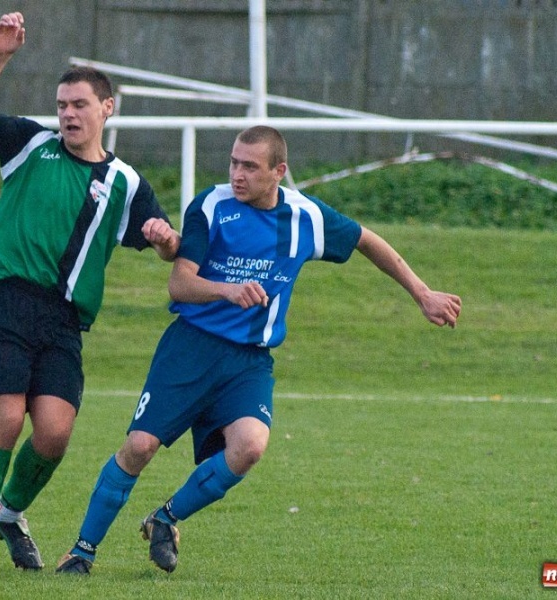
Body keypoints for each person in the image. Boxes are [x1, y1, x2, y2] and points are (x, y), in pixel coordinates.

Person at [56, 125, 461, 575]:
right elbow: (180, 283)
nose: (237, 174)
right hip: (191, 348)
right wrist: (228, 291)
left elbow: (366, 239)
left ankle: (165, 518)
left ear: (279, 171)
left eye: (250, 166)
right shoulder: (211, 206)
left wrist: (421, 293)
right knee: (140, 445)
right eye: (233, 162)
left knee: (250, 446)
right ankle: (81, 551)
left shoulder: (305, 217)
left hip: (248, 362)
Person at [0, 12, 180, 571]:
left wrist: (165, 239)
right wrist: (0, 55)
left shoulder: (125, 182)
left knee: (53, 435)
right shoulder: (30, 144)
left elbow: (167, 245)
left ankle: (9, 512)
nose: (68, 114)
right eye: (61, 105)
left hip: (62, 321)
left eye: (79, 105)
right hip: (3, 298)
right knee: (7, 419)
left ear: (107, 108)